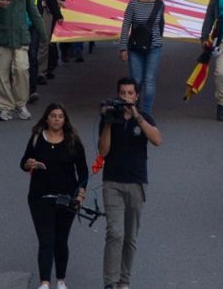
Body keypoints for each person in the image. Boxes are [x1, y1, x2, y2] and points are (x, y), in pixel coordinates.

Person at [99, 77, 162, 289]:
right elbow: (103, 151)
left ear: (136, 96)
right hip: (112, 181)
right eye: (122, 93)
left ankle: (124, 281)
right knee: (115, 233)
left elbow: (157, 140)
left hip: (136, 182)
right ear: (118, 95)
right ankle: (110, 282)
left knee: (130, 236)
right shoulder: (111, 116)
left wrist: (137, 118)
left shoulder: (144, 117)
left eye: (130, 93)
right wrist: (108, 122)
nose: (126, 97)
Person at [20, 103, 90, 289]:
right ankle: (44, 282)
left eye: (60, 116)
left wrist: (80, 195)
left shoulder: (73, 141)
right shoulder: (37, 139)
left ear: (65, 120)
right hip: (40, 197)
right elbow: (23, 163)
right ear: (46, 119)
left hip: (66, 198)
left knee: (61, 239)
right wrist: (30, 164)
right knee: (46, 240)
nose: (57, 119)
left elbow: (83, 172)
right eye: (53, 115)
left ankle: (60, 280)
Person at [118, 0, 166, 117]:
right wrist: (122, 48)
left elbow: (161, 25)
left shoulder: (160, 4)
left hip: (154, 48)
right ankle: (134, 110)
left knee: (149, 81)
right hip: (136, 48)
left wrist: (158, 40)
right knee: (136, 81)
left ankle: (146, 115)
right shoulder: (133, 3)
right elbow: (126, 25)